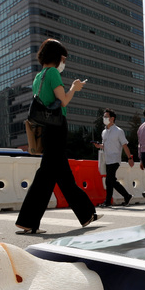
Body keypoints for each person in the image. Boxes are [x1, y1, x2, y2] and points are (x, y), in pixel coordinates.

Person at [15, 39, 100, 235]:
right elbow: (63, 101)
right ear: (56, 56)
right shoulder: (52, 73)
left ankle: (86, 213)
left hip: (46, 129)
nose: (64, 61)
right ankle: (27, 220)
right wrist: (74, 88)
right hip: (56, 127)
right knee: (46, 175)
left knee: (63, 175)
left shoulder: (38, 77)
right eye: (63, 57)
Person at [93, 109, 134, 208]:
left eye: (106, 117)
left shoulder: (118, 131)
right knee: (109, 181)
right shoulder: (104, 132)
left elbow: (124, 145)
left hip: (115, 159)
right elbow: (106, 145)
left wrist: (130, 158)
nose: (104, 118)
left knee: (110, 180)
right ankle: (112, 200)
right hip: (107, 159)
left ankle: (124, 196)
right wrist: (100, 146)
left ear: (112, 118)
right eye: (104, 117)